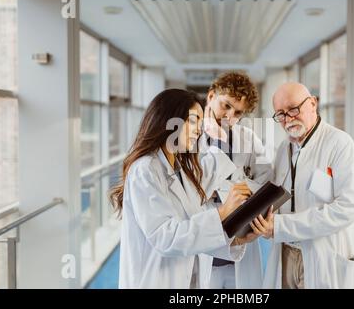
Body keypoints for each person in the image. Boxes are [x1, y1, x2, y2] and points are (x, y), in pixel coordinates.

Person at [110, 89, 259, 288]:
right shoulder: (145, 170)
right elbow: (167, 237)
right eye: (192, 121)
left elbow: (192, 235)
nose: (198, 130)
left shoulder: (181, 171)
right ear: (169, 120)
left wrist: (237, 241)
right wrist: (223, 212)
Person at [252, 82, 354, 289]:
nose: (288, 118)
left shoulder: (340, 144)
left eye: (294, 108)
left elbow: (347, 208)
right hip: (286, 253)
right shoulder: (283, 149)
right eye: (281, 114)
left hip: (323, 255)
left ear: (313, 103)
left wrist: (280, 226)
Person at [199, 71, 272, 289]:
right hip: (203, 250)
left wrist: (217, 189)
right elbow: (190, 189)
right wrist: (234, 190)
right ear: (211, 96)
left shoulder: (249, 140)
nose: (229, 117)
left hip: (240, 248)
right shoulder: (189, 138)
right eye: (226, 105)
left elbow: (266, 185)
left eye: (238, 113)